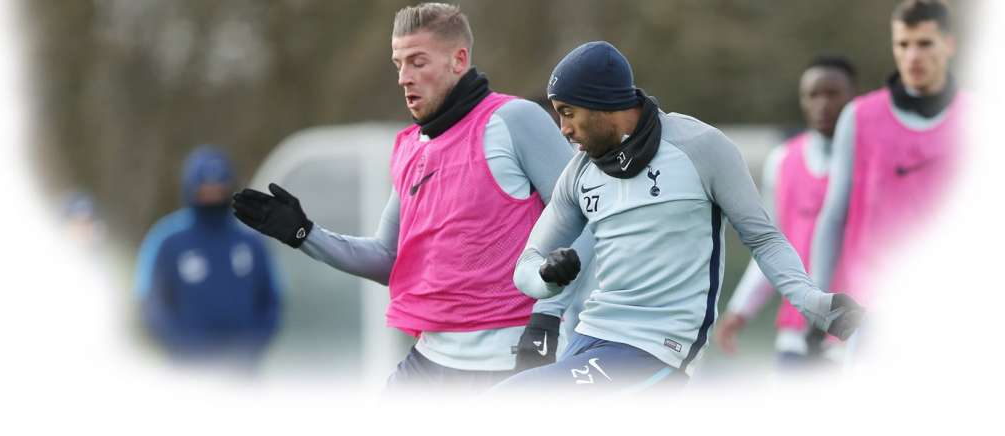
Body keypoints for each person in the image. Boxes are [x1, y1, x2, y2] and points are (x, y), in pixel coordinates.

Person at [232, 2, 592, 391]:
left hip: (509, 362)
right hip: (429, 361)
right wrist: (305, 234)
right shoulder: (410, 147)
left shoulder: (515, 120)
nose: (404, 78)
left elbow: (588, 218)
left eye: (418, 62)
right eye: (398, 64)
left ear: (459, 60)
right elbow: (390, 258)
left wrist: (547, 320)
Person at [495, 41, 863, 393]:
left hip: (658, 350)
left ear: (602, 103)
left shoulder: (701, 147)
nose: (563, 129)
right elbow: (526, 265)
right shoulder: (579, 173)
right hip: (589, 338)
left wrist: (812, 301)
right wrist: (547, 278)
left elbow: (764, 239)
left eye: (568, 112)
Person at [809, 0, 966, 352]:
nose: (913, 56)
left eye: (924, 43)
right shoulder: (858, 117)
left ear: (949, 45)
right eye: (903, 44)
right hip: (872, 316)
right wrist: (818, 304)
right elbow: (833, 216)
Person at [715, 56, 857, 369]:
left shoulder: (871, 160)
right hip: (795, 337)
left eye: (832, 93)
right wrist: (740, 310)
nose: (822, 104)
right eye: (813, 95)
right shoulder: (782, 161)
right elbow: (770, 246)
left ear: (852, 98)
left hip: (853, 339)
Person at [135, 146, 282, 368]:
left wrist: (252, 347)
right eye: (205, 191)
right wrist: (181, 348)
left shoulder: (251, 241)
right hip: (187, 371)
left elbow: (272, 300)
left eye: (219, 189)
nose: (212, 196)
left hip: (243, 370)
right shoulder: (166, 239)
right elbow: (151, 304)